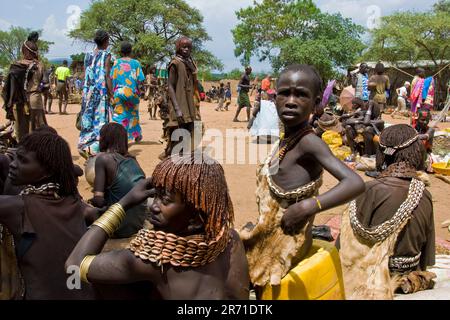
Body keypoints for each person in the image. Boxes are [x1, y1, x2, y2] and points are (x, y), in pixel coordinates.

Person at [239, 64, 365, 289]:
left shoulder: (309, 142)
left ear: (316, 104)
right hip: (269, 237)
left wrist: (309, 206)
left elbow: (355, 183)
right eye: (284, 93)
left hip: (287, 248)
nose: (290, 100)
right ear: (274, 98)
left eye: (301, 94)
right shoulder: (287, 140)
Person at [66, 153, 250, 300]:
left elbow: (74, 266)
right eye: (157, 195)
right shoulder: (230, 239)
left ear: (195, 218)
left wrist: (124, 203)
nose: (153, 206)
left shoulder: (156, 258)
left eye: (166, 200)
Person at [339, 124, 436, 299]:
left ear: (382, 154)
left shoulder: (369, 189)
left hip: (374, 276)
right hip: (411, 275)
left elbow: (345, 246)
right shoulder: (424, 193)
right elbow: (427, 258)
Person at [0, 132, 94, 299]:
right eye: (14, 158)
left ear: (47, 170)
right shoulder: (75, 202)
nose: (13, 165)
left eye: (23, 160)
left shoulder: (17, 208)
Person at [90, 123, 147, 238]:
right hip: (138, 224)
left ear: (105, 139)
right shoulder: (132, 160)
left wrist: (90, 202)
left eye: (101, 136)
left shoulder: (103, 159)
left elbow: (98, 200)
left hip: (118, 227)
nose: (99, 139)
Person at [1, 37, 47, 142]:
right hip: (35, 100)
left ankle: (23, 154)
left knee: (21, 133)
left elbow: (7, 89)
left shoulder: (15, 66)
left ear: (25, 51)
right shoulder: (39, 65)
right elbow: (46, 85)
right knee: (38, 131)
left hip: (19, 102)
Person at [163, 36, 200, 159]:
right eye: (184, 47)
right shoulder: (175, 63)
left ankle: (180, 164)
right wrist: (177, 109)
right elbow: (170, 87)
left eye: (189, 47)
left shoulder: (189, 64)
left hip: (189, 105)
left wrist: (193, 69)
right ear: (178, 47)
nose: (186, 49)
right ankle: (171, 164)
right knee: (177, 135)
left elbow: (194, 84)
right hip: (179, 105)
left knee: (188, 134)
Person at [78, 30, 113, 159]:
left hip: (88, 92)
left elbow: (86, 73)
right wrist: (111, 93)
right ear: (105, 41)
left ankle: (84, 144)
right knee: (100, 120)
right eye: (108, 41)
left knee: (88, 117)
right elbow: (107, 75)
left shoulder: (87, 55)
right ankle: (95, 149)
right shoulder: (106, 55)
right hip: (101, 91)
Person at [110, 42, 145, 143]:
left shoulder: (116, 62)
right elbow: (140, 79)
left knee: (120, 115)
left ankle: (119, 137)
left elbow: (112, 78)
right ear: (131, 51)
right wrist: (138, 90)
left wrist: (112, 93)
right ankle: (136, 135)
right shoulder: (136, 63)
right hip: (131, 93)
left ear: (121, 52)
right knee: (133, 115)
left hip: (118, 92)